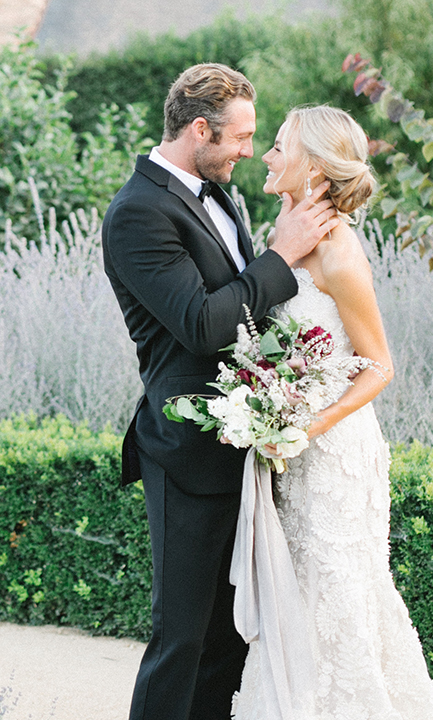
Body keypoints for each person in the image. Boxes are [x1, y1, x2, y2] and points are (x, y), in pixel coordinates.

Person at [102, 65, 338, 720]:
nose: (247, 151)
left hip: (242, 444)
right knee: (181, 639)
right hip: (184, 453)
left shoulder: (214, 193)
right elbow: (204, 326)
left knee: (228, 642)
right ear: (200, 129)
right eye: (240, 138)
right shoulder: (137, 213)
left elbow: (244, 314)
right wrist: (281, 258)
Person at [232, 106, 433, 719]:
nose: (267, 156)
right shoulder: (284, 230)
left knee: (338, 592)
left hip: (331, 454)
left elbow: (379, 365)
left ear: (315, 170)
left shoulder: (338, 252)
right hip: (289, 452)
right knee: (294, 594)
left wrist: (303, 426)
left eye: (278, 146)